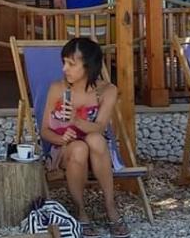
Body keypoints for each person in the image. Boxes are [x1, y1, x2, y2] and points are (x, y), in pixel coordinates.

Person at [39, 38, 130, 237]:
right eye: (64, 62)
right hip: (65, 151)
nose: (64, 69)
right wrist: (62, 139)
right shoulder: (58, 89)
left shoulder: (107, 90)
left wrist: (75, 119)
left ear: (88, 65)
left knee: (94, 139)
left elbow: (100, 127)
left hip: (98, 150)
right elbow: (44, 130)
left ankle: (110, 206)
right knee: (79, 147)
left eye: (71, 64)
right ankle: (81, 211)